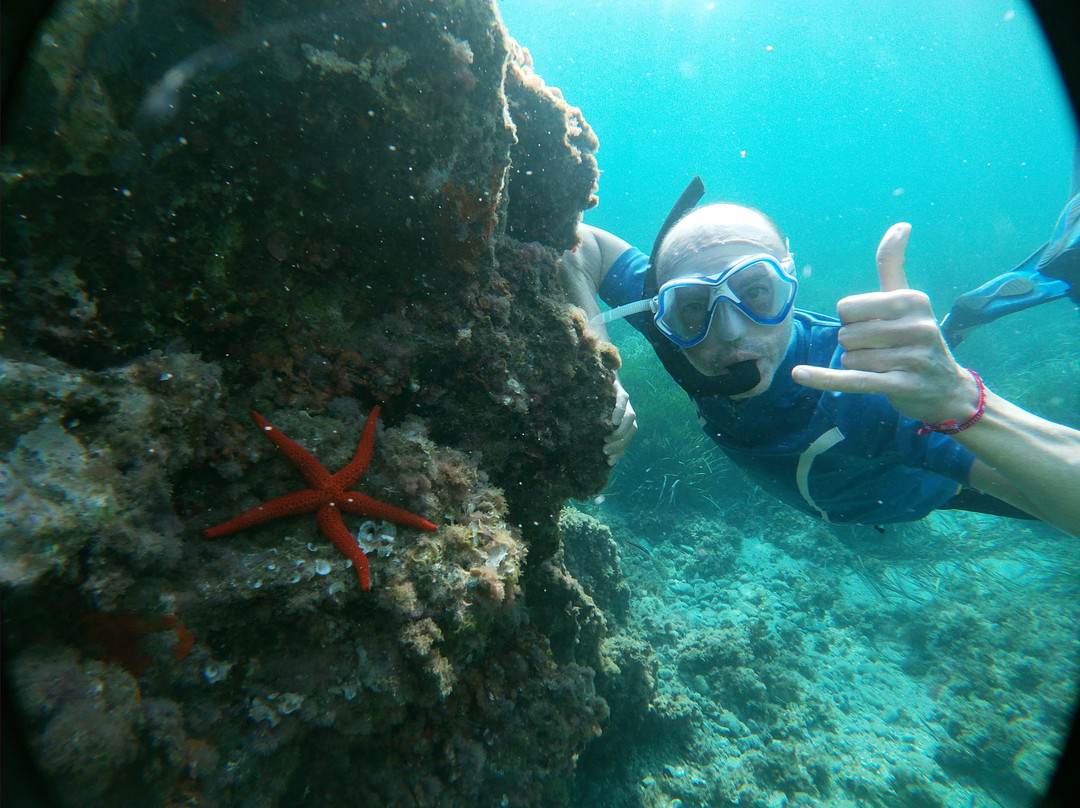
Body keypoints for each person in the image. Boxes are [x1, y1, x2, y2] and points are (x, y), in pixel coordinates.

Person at [559, 178, 1080, 536]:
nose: (731, 331)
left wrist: (961, 404)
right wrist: (598, 364)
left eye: (757, 291)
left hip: (915, 490)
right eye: (693, 305)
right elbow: (578, 242)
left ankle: (1013, 292)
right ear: (662, 304)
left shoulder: (866, 393)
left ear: (791, 280)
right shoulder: (675, 327)